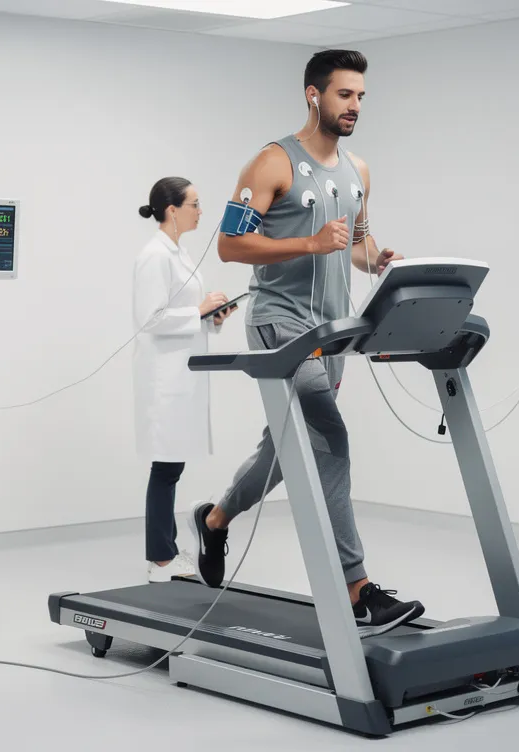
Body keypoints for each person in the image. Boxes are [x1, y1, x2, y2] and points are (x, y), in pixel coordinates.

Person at [186, 50, 423, 637]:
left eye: (362, 96)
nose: (356, 107)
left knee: (284, 449)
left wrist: (378, 260)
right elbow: (231, 248)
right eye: (345, 95)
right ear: (314, 96)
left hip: (332, 333)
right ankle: (358, 588)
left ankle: (213, 521)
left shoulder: (358, 171)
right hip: (279, 322)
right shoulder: (272, 163)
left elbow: (356, 246)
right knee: (329, 439)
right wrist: (309, 245)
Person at [133, 177, 238, 583]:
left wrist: (213, 317)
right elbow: (151, 318)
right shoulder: (154, 256)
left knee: (170, 466)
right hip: (164, 378)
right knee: (166, 467)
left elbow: (183, 316)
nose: (200, 210)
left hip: (182, 371)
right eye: (195, 203)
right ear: (172, 210)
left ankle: (164, 552)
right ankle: (160, 559)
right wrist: (199, 310)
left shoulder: (179, 253)